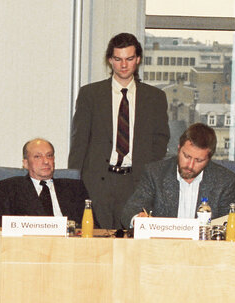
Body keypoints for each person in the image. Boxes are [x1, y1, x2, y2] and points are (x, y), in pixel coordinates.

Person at [68, 32, 170, 228]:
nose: (124, 65)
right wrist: (75, 183)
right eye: (118, 59)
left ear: (138, 60)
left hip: (137, 182)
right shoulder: (91, 94)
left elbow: (160, 141)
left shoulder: (155, 97)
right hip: (97, 182)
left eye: (129, 59)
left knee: (132, 245)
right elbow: (79, 142)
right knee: (98, 244)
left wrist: (150, 179)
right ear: (110, 60)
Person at [119, 123, 235, 228]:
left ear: (209, 159)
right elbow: (129, 212)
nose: (190, 165)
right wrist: (138, 219)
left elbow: (234, 220)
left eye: (199, 160)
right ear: (179, 149)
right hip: (162, 248)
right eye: (187, 156)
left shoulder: (225, 180)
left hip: (205, 250)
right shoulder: (155, 173)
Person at [0, 138, 90, 227]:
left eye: (49, 155)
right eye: (38, 156)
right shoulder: (10, 188)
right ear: (25, 163)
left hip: (69, 243)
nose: (46, 161)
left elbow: (93, 227)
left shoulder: (75, 188)